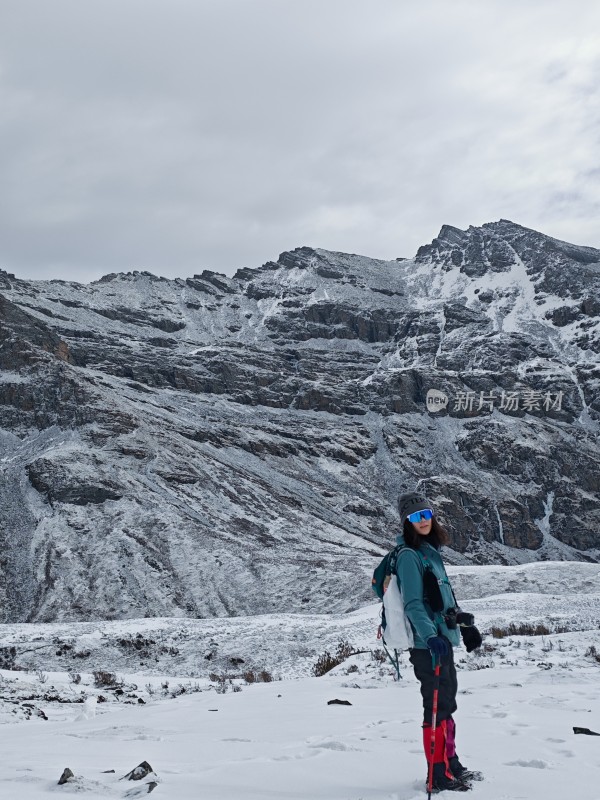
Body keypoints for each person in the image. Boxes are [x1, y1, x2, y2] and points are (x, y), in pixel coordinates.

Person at [373, 491, 482, 793]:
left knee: (447, 702)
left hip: (443, 640)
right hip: (428, 646)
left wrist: (462, 621)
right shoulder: (409, 556)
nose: (423, 520)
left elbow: (442, 598)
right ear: (407, 521)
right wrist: (430, 636)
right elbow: (413, 605)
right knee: (435, 707)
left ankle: (451, 762)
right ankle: (437, 774)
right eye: (415, 517)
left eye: (426, 514)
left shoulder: (430, 552)